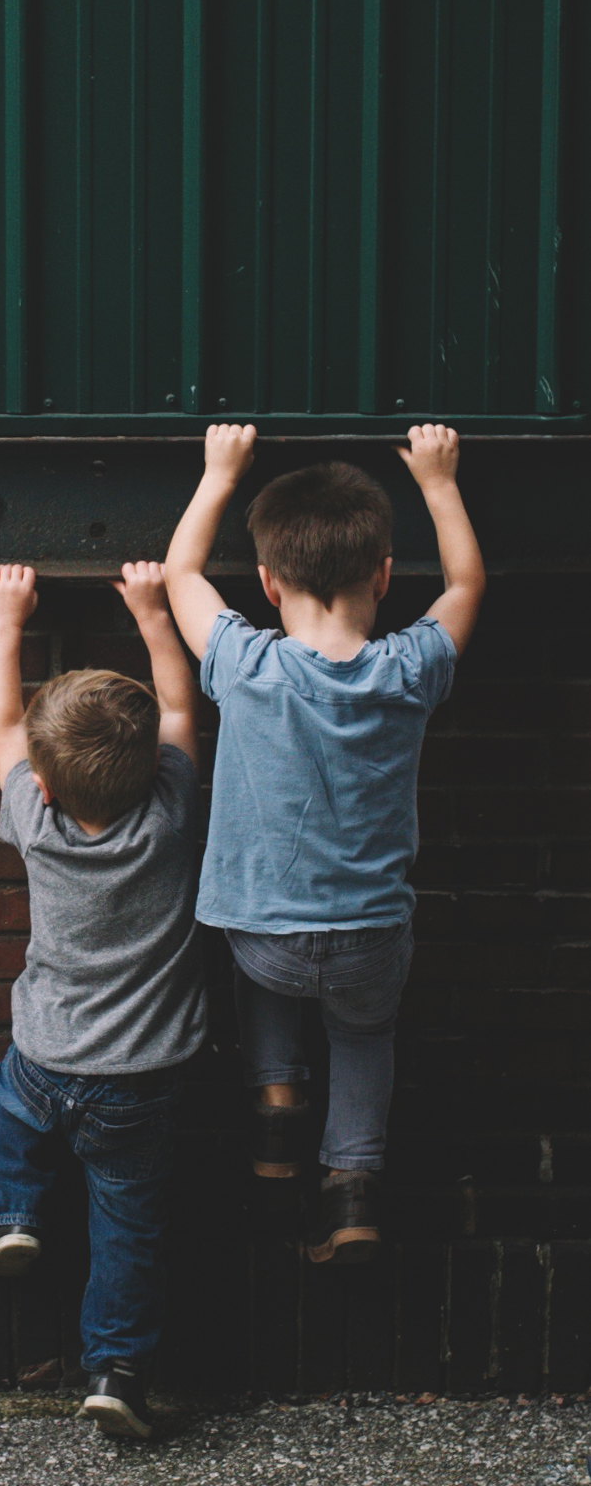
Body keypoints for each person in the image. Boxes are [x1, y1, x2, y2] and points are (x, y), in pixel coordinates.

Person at [164, 423, 485, 1263]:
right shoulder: (407, 670)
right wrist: (439, 481)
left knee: (258, 967)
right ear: (384, 575)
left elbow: (181, 575)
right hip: (369, 938)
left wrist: (218, 471)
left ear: (267, 583)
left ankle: (275, 1117)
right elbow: (464, 583)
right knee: (363, 1038)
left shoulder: (244, 664)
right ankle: (352, 1192)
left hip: (264, 937)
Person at [0, 560, 204, 1439]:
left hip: (43, 1061)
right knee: (128, 1228)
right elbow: (181, 711)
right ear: (153, 769)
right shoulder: (171, 816)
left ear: (40, 780)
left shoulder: (35, 822)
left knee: (8, 1094)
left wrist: (7, 619)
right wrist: (152, 611)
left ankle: (16, 1210)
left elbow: (2, 718)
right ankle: (115, 1368)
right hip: (140, 1083)